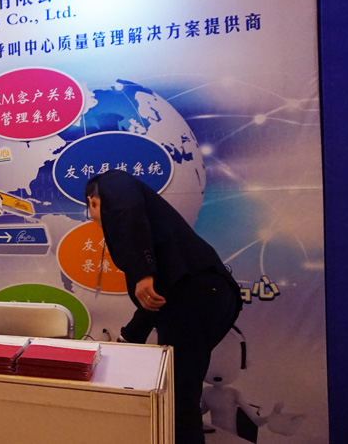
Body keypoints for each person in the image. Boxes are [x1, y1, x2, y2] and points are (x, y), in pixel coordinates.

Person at [85, 169, 242, 444]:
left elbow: (127, 208)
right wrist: (128, 339)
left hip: (197, 293)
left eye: (92, 212)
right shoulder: (157, 238)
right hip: (199, 296)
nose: (96, 220)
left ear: (92, 201)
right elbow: (157, 299)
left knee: (179, 397)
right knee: (178, 391)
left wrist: (143, 271)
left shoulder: (112, 181)